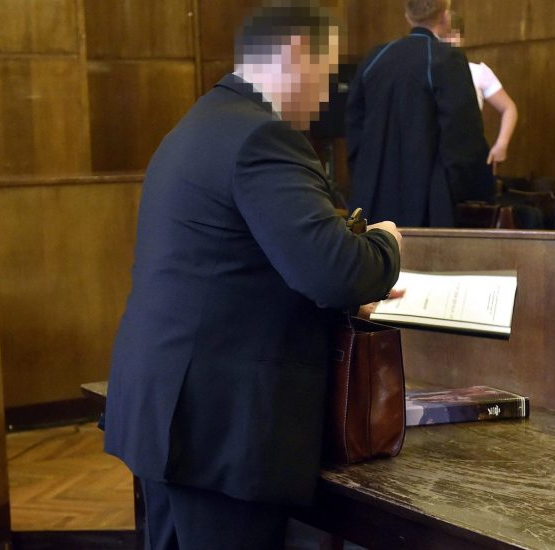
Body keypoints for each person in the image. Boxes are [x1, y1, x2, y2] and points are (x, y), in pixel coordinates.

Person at [102, 3, 402, 549]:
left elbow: (244, 262)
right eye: (326, 74)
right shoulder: (263, 137)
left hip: (170, 410)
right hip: (218, 424)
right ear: (295, 53)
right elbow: (336, 272)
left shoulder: (197, 124)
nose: (325, 95)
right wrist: (386, 244)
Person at [346, 0, 491, 228]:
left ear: (407, 15)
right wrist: (454, 189)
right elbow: (463, 136)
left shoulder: (375, 58)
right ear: (445, 17)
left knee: (374, 250)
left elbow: (354, 125)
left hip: (372, 193)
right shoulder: (447, 59)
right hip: (428, 198)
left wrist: (364, 174)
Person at [443, 10, 518, 171]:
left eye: (453, 34)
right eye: (444, 35)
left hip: (468, 152)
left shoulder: (477, 71)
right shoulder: (426, 72)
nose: (448, 40)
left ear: (461, 38)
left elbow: (509, 108)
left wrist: (502, 144)